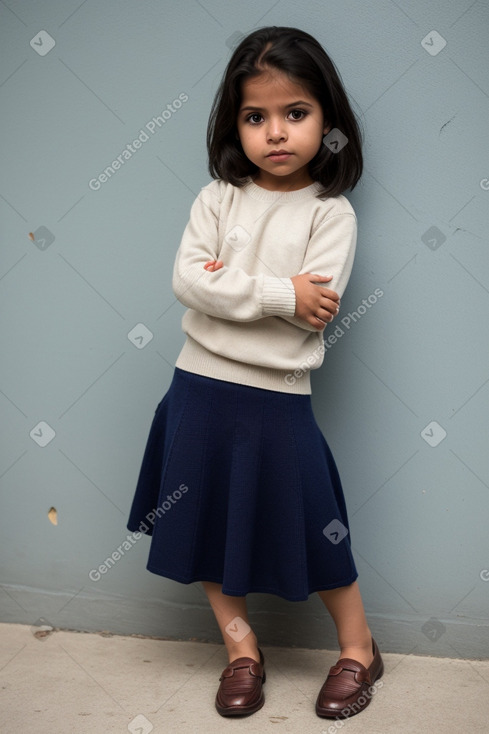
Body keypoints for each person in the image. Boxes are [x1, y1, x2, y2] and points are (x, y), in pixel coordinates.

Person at [127, 25, 383, 720]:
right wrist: (278, 292)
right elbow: (189, 280)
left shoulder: (330, 214)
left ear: (327, 121)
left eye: (294, 113)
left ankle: (358, 648)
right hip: (196, 389)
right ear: (232, 125)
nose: (275, 132)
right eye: (254, 116)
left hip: (276, 399)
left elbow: (314, 311)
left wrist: (239, 286)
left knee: (316, 527)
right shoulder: (217, 198)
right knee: (202, 522)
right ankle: (241, 649)